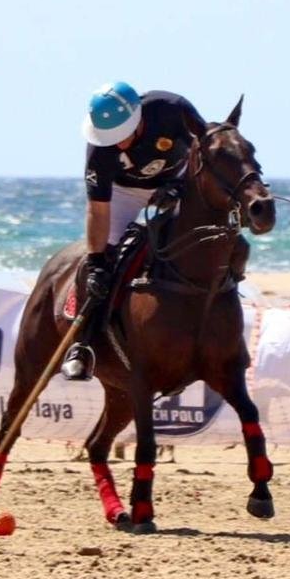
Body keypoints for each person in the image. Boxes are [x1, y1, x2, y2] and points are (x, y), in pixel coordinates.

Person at [61, 81, 206, 381]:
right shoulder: (99, 152)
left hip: (178, 182)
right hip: (125, 192)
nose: (115, 143)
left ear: (138, 118)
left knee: (209, 237)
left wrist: (181, 184)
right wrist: (99, 261)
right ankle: (83, 345)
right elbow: (98, 209)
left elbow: (207, 150)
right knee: (97, 270)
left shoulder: (173, 109)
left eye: (120, 135)